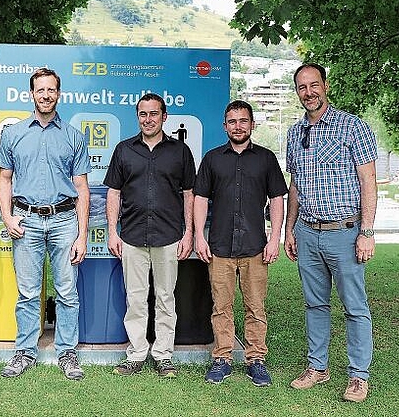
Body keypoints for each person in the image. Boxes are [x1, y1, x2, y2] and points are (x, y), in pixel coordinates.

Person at [284, 63, 377, 402]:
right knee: (314, 304)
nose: (308, 92)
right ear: (297, 92)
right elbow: (295, 185)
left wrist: (366, 231)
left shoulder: (352, 126)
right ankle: (317, 368)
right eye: (301, 87)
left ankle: (358, 377)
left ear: (325, 85)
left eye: (313, 85)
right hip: (308, 232)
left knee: (355, 307)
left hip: (346, 232)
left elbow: (369, 181)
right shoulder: (295, 133)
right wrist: (289, 230)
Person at [0, 68, 90, 380]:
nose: (46, 95)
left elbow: (82, 189)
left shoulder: (74, 137)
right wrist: (8, 216)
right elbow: (4, 179)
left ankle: (67, 352)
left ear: (58, 94)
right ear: (31, 94)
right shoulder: (13, 134)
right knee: (27, 292)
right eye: (40, 90)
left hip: (65, 221)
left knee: (67, 291)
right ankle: (24, 352)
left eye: (51, 90)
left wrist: (82, 236)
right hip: (26, 221)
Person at [194, 100, 287, 386]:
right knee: (221, 306)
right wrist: (199, 235)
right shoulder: (212, 159)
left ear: (252, 124)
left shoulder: (267, 159)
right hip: (220, 246)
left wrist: (275, 238)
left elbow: (277, 199)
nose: (238, 126)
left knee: (255, 306)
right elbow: (200, 198)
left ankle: (256, 359)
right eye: (232, 121)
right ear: (225, 126)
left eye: (243, 121)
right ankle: (222, 358)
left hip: (255, 246)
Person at [104, 92, 196, 378]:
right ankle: (136, 354)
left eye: (153, 113)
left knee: (166, 298)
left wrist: (189, 232)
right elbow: (114, 192)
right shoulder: (123, 150)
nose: (148, 119)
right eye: (143, 114)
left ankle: (163, 355)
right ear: (138, 117)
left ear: (164, 117)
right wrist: (112, 232)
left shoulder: (180, 152)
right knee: (136, 298)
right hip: (131, 236)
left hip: (169, 237)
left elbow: (189, 194)